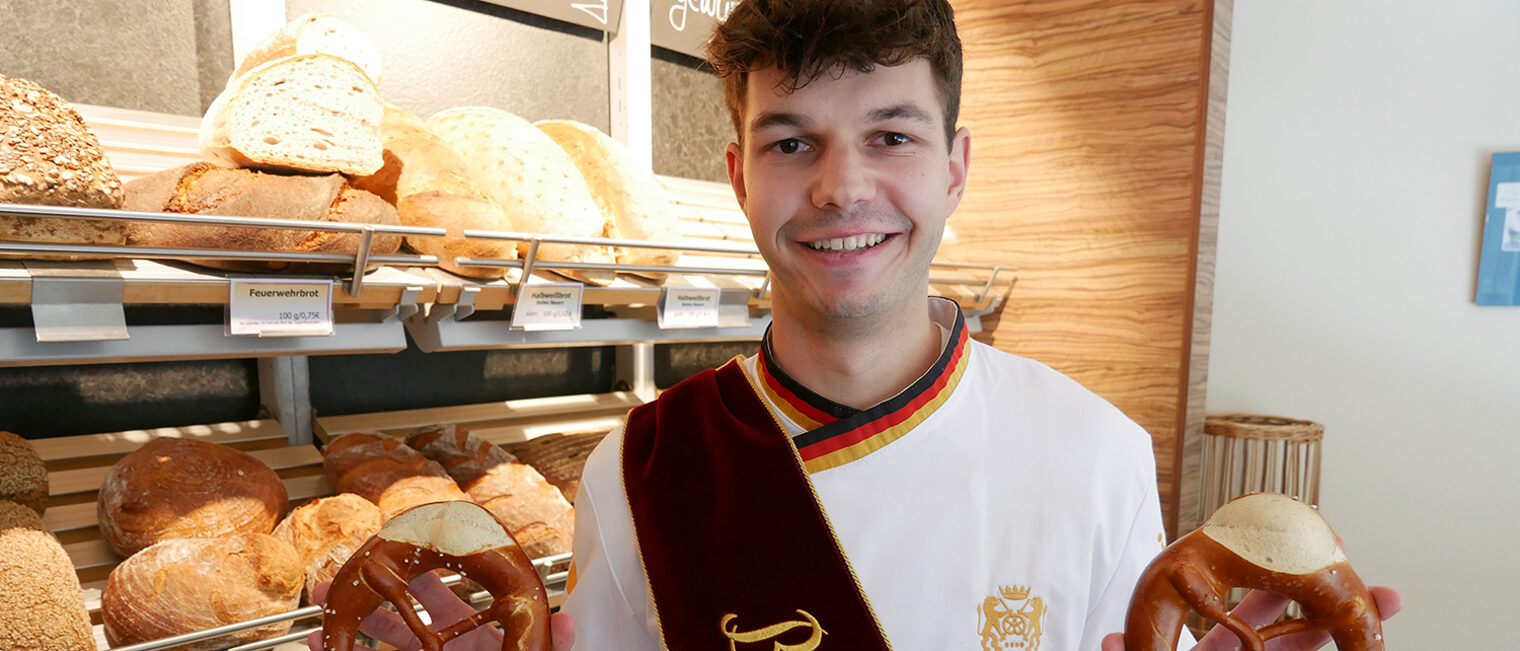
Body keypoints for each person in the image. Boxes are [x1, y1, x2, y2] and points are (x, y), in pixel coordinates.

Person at [310, 1, 1398, 649]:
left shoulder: (1096, 453)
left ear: (954, 168)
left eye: (889, 136)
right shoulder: (639, 466)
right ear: (738, 176)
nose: (839, 188)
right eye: (791, 143)